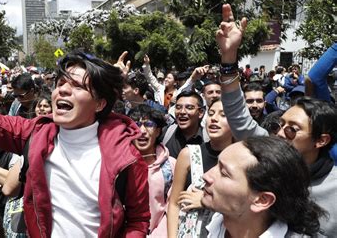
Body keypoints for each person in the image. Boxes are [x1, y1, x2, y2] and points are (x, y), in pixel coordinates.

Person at [0, 5, 150, 237]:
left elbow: (138, 220)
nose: (62, 91)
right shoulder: (34, 134)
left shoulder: (127, 154)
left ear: (100, 103)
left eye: (77, 86)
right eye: (60, 84)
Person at [215, 3, 337, 236]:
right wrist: (229, 57)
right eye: (281, 125)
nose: (280, 134)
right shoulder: (271, 150)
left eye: (292, 130)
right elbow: (239, 118)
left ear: (321, 140)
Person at [202, 137, 325, 237]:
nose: (206, 176)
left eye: (224, 173)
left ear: (262, 200)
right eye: (216, 164)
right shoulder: (207, 222)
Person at [167, 98, 233, 237]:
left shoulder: (242, 160)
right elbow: (174, 204)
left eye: (223, 115)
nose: (214, 119)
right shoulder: (188, 154)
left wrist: (208, 202)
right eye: (212, 113)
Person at [128, 104, 175, 236]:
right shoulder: (120, 165)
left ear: (159, 131)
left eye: (149, 124)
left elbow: (172, 206)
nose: (142, 130)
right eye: (136, 124)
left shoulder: (170, 166)